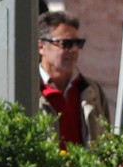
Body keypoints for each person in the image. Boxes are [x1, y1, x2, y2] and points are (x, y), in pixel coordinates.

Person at [37, 9, 111, 146]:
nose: (74, 50)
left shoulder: (91, 90)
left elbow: (107, 141)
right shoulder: (30, 92)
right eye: (66, 44)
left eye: (78, 43)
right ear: (41, 46)